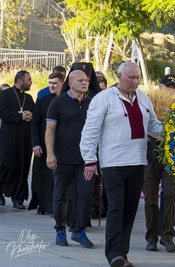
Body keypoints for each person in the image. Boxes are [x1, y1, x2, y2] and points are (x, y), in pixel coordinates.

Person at [80, 62, 162, 267]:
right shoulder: (104, 98)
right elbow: (89, 131)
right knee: (116, 207)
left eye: (138, 78)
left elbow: (153, 125)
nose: (135, 81)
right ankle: (114, 254)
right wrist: (90, 159)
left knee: (130, 209)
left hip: (138, 161)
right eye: (131, 77)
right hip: (113, 162)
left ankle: (123, 253)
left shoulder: (143, 98)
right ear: (119, 76)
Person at [45, 70, 96, 248]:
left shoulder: (92, 103)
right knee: (60, 196)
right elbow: (49, 130)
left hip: (85, 160)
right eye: (80, 80)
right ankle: (60, 230)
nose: (85, 83)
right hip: (62, 159)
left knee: (86, 194)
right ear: (71, 82)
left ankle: (79, 231)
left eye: (87, 80)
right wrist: (50, 153)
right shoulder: (58, 102)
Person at [143, 74, 175, 252]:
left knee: (172, 194)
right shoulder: (149, 102)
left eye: (174, 86)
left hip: (172, 156)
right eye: (168, 86)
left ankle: (167, 235)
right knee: (150, 198)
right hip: (150, 155)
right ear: (160, 86)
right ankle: (151, 236)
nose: (171, 89)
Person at [28, 72, 64, 214]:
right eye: (49, 83)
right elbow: (35, 124)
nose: (51, 86)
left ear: (62, 83)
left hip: (63, 146)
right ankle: (44, 205)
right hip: (43, 147)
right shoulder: (42, 101)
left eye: (54, 83)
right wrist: (35, 144)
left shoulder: (68, 100)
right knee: (43, 178)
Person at [0, 71, 34, 209]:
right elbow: (2, 112)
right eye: (29, 79)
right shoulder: (5, 95)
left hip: (25, 138)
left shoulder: (29, 98)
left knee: (22, 166)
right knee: (6, 165)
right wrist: (20, 116)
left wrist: (30, 116)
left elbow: (34, 114)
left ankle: (18, 198)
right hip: (8, 137)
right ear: (20, 81)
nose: (31, 82)